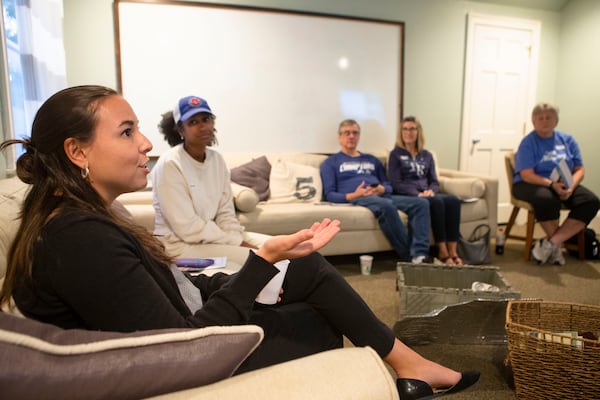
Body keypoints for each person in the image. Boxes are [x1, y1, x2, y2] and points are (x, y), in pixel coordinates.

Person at [0, 85, 480, 398]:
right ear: (77, 151)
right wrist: (259, 263)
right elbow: (180, 345)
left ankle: (410, 366)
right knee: (317, 321)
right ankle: (411, 368)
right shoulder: (77, 238)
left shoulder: (97, 214)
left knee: (309, 274)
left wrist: (258, 258)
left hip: (193, 311)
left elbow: (172, 284)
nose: (145, 142)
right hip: (194, 348)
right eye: (127, 132)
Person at [152, 95, 269, 267]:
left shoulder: (217, 160)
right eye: (193, 122)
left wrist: (235, 238)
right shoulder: (170, 164)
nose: (203, 126)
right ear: (180, 130)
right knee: (263, 259)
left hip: (213, 238)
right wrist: (236, 242)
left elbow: (225, 212)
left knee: (281, 246)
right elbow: (188, 228)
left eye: (206, 119)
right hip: (180, 246)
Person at [320, 119, 432, 264]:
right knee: (387, 207)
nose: (351, 136)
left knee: (421, 203)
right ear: (339, 137)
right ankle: (409, 258)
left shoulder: (372, 159)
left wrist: (382, 188)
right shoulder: (331, 163)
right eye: (347, 133)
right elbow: (330, 195)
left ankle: (420, 254)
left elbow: (389, 185)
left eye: (355, 133)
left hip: (382, 195)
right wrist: (355, 195)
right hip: (359, 198)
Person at [513, 102, 600, 265]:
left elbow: (580, 169)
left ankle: (551, 244)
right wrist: (551, 185)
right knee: (547, 198)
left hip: (564, 182)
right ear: (534, 122)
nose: (545, 121)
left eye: (549, 117)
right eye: (540, 118)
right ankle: (556, 247)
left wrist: (571, 186)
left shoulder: (568, 140)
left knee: (591, 201)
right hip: (531, 183)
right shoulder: (528, 142)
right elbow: (527, 174)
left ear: (556, 121)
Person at [388, 116, 463, 265]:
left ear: (418, 132)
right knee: (435, 202)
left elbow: (434, 180)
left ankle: (453, 251)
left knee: (453, 200)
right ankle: (442, 251)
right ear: (400, 132)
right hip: (407, 195)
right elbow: (395, 183)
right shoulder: (395, 155)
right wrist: (417, 193)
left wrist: (431, 190)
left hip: (427, 193)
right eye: (405, 129)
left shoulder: (427, 155)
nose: (409, 132)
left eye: (412, 129)